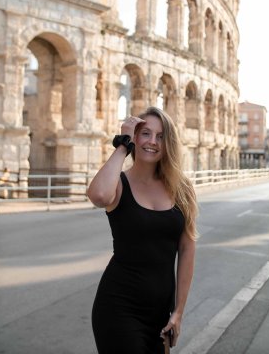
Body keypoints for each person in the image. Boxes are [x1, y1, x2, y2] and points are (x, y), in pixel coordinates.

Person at [87, 106, 197, 354]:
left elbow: (187, 247)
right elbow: (99, 195)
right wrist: (122, 145)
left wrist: (178, 311)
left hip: (160, 312)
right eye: (145, 133)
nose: (152, 142)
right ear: (135, 137)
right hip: (118, 307)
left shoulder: (182, 188)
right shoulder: (119, 184)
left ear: (169, 143)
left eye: (160, 136)